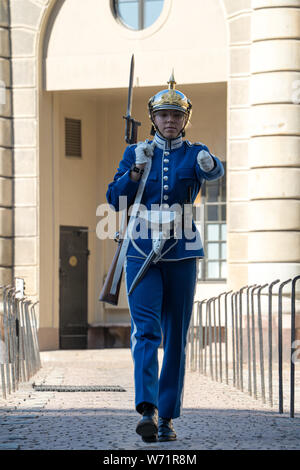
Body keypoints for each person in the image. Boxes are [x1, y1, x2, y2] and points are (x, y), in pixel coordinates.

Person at [106, 73, 224, 443]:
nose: (169, 121)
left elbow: (215, 172)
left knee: (176, 336)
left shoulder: (194, 152)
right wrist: (135, 170)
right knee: (146, 331)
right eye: (163, 115)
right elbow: (114, 198)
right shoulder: (135, 152)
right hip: (141, 249)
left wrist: (210, 164)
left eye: (176, 115)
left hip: (181, 249)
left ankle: (167, 416)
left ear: (185, 119)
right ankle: (147, 408)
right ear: (153, 119)